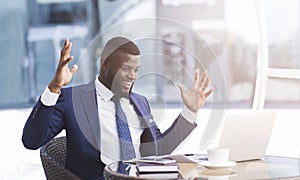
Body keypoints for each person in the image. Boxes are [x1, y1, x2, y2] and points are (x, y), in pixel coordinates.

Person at [22, 36, 213, 179]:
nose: (133, 76)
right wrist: (54, 89)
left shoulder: (140, 102)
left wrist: (190, 111)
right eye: (126, 69)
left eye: (136, 70)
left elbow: (158, 149)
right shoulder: (72, 99)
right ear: (104, 65)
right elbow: (31, 140)